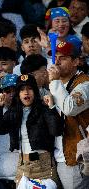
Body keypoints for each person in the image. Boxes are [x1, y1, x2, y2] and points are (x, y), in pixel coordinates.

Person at [0, 74, 63, 188]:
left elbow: (56, 130)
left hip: (44, 166)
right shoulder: (14, 112)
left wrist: (51, 108)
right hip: (23, 166)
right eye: (21, 90)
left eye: (29, 88)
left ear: (35, 91)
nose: (26, 92)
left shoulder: (43, 109)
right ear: (18, 94)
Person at [47, 41, 89, 189]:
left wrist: (54, 82)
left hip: (78, 158)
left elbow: (70, 108)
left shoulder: (85, 83)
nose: (56, 61)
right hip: (58, 157)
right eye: (55, 57)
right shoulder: (54, 83)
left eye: (63, 57)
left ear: (76, 61)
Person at [0, 74, 19, 189]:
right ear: (0, 93)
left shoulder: (27, 112)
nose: (11, 94)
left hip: (23, 176)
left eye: (15, 90)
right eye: (7, 90)